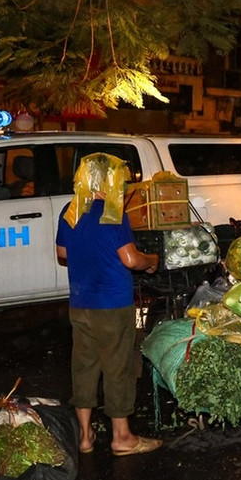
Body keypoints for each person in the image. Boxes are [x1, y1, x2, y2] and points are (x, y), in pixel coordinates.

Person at [55, 153, 162, 457]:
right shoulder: (112, 213)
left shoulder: (71, 210)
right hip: (112, 303)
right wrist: (151, 261)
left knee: (84, 367)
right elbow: (130, 259)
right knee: (118, 367)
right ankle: (121, 437)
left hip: (80, 303)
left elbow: (62, 252)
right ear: (110, 180)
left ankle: (85, 436)